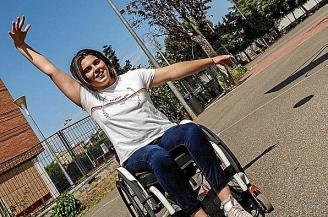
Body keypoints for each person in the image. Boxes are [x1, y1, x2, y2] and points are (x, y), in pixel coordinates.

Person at [9, 16, 252, 217]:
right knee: (156, 156)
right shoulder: (87, 98)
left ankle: (229, 204)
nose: (96, 69)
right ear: (84, 79)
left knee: (190, 129)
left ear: (105, 62)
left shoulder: (134, 78)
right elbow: (51, 70)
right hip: (135, 153)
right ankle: (197, 213)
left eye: (97, 62)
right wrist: (22, 47)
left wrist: (211, 60)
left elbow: (173, 71)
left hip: (164, 135)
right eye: (88, 70)